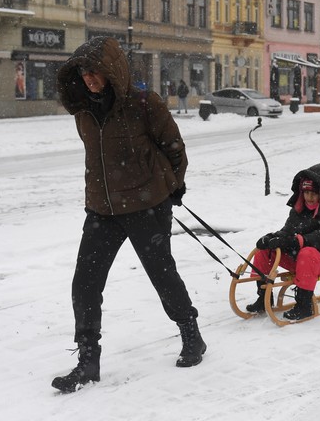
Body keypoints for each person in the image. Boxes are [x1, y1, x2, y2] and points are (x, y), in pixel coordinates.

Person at [51, 36, 205, 394]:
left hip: (146, 206)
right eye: (84, 73)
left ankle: (191, 335)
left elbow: (174, 149)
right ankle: (88, 361)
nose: (89, 79)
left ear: (112, 70)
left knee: (161, 274)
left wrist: (171, 187)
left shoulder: (144, 104)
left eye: (95, 72)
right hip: (102, 208)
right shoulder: (84, 112)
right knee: (84, 283)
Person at [246, 163, 320, 321]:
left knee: (307, 253)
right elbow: (287, 232)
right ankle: (264, 298)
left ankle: (304, 305)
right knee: (266, 251)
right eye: (306, 193)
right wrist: (271, 238)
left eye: (314, 194)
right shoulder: (297, 211)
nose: (309, 197)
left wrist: (300, 241)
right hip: (299, 260)